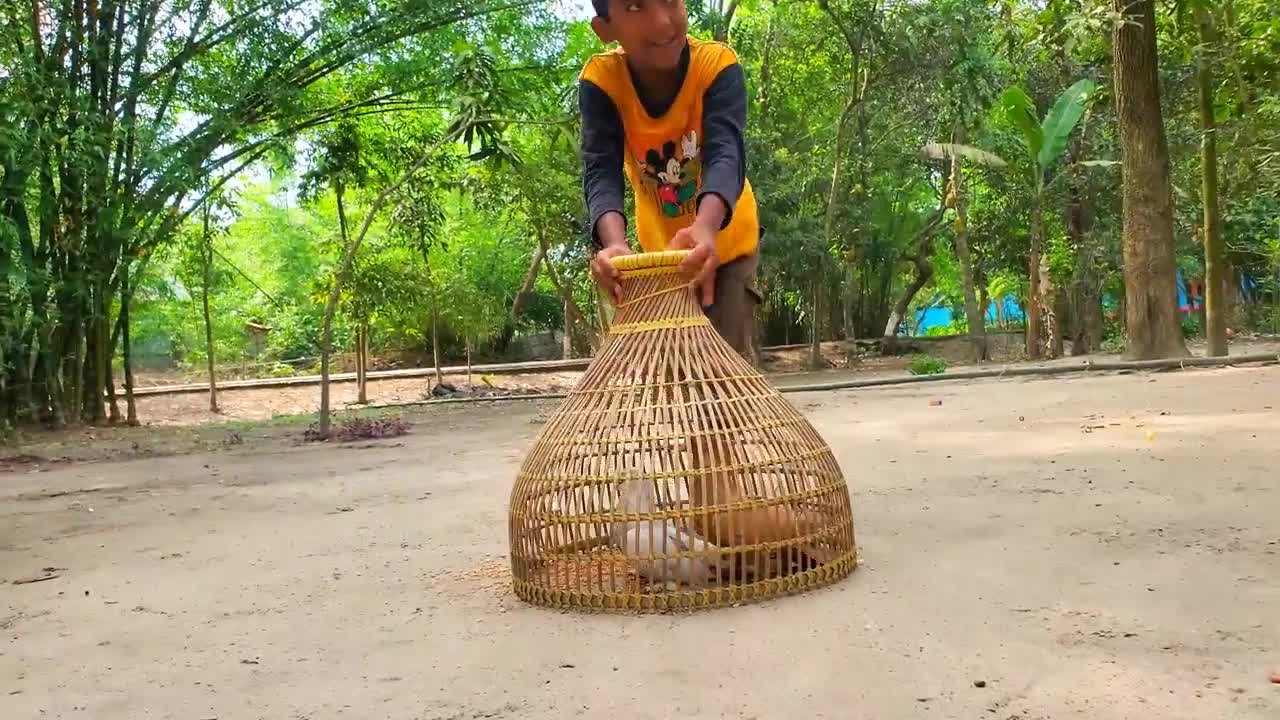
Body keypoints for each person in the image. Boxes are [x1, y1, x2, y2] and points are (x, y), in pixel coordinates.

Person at [578, 0, 761, 358]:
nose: (663, 23)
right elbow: (601, 169)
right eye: (635, 7)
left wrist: (706, 227)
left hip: (727, 240)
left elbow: (726, 154)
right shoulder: (602, 82)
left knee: (723, 365)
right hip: (661, 255)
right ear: (605, 29)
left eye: (671, 1)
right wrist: (615, 247)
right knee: (672, 365)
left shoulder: (717, 66)